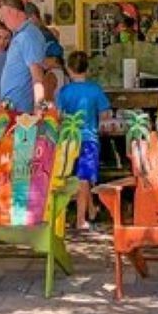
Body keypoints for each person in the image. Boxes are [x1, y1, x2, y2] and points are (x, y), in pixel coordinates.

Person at [56, 50, 112, 230]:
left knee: (75, 177)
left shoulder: (65, 91)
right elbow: (105, 114)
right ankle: (81, 219)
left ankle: (91, 210)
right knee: (84, 177)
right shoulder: (95, 89)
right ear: (87, 69)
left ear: (68, 69)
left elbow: (58, 115)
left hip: (68, 139)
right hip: (89, 138)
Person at [0, 0, 47, 114]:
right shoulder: (22, 34)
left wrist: (39, 108)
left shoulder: (27, 35)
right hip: (12, 105)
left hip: (21, 110)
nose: (2, 20)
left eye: (4, 15)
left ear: (14, 12)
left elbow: (37, 75)